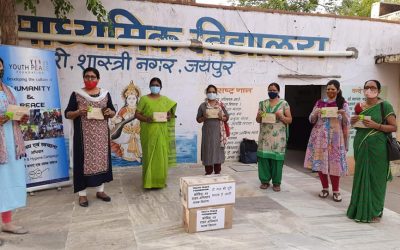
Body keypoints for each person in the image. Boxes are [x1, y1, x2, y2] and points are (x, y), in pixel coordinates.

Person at [347, 80, 397, 223]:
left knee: (377, 179)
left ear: (379, 91)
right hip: (361, 145)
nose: (369, 89)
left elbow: (394, 127)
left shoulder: (384, 106)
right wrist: (353, 121)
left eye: (373, 87)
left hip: (379, 148)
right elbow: (358, 126)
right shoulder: (359, 106)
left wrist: (377, 125)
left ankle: (375, 210)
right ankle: (358, 209)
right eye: (367, 87)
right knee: (361, 177)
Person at [65, 67, 116, 207]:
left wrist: (109, 112)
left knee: (100, 161)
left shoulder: (105, 94)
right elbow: (67, 113)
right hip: (83, 137)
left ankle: (100, 191)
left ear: (98, 79)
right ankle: (82, 195)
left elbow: (112, 112)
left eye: (93, 77)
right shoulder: (77, 94)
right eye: (87, 76)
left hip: (101, 136)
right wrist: (77, 112)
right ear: (83, 78)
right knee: (82, 163)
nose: (90, 79)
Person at [304, 80, 350, 202]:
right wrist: (315, 113)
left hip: (335, 138)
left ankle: (336, 190)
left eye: (333, 89)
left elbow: (347, 123)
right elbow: (311, 120)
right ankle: (324, 188)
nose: (330, 91)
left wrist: (343, 115)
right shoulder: (320, 103)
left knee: (334, 164)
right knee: (320, 162)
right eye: (328, 89)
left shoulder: (343, 104)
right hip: (319, 137)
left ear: (338, 90)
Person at [0, 57, 29, 235]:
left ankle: (7, 222)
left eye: (0, 66)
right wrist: (6, 117)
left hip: (12, 143)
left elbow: (14, 114)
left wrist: (21, 117)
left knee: (8, 182)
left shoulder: (9, 90)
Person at [135, 77, 177, 189]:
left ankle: (160, 181)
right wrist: (146, 118)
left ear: (161, 87)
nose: (155, 87)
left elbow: (170, 115)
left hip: (162, 133)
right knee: (149, 156)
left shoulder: (165, 100)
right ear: (149, 86)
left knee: (161, 156)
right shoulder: (144, 99)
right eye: (153, 85)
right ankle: (148, 182)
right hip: (148, 132)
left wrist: (168, 117)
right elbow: (137, 114)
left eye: (157, 85)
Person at [256, 82, 292, 192]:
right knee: (264, 158)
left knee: (277, 159)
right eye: (270, 90)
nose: (271, 92)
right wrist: (259, 115)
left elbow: (289, 120)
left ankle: (276, 183)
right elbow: (257, 120)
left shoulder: (284, 104)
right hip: (265, 137)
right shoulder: (263, 104)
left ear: (278, 91)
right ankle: (264, 181)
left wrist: (281, 116)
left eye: (274, 90)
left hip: (278, 137)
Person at [196, 85, 229, 175]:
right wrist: (204, 117)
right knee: (208, 150)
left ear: (216, 93)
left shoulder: (221, 105)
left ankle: (217, 172)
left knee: (218, 151)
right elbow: (198, 119)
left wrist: (221, 117)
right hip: (207, 133)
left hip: (219, 133)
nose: (212, 93)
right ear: (206, 93)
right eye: (210, 92)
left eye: (214, 92)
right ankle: (208, 172)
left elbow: (227, 117)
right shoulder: (203, 106)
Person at [111, 81, 142, 162]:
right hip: (126, 132)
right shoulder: (123, 109)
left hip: (137, 131)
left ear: (137, 99)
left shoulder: (140, 109)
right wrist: (114, 120)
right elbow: (118, 120)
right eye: (129, 98)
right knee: (124, 145)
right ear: (126, 99)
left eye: (133, 98)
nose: (131, 100)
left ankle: (138, 156)